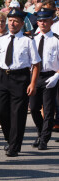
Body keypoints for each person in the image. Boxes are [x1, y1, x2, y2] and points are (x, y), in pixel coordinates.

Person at [0, 8, 40, 157]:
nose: (11, 23)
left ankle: (14, 146)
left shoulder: (28, 41)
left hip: (20, 78)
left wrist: (33, 83)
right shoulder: (1, 40)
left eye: (15, 21)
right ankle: (10, 138)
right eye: (10, 20)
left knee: (18, 113)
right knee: (0, 111)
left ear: (21, 23)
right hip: (3, 77)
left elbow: (36, 64)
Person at [29, 8, 59, 150]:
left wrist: (56, 76)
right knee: (34, 108)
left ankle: (44, 139)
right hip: (35, 76)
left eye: (45, 21)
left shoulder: (56, 39)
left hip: (50, 76)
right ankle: (41, 132)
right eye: (40, 20)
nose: (42, 23)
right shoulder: (32, 38)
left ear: (51, 22)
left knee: (48, 110)